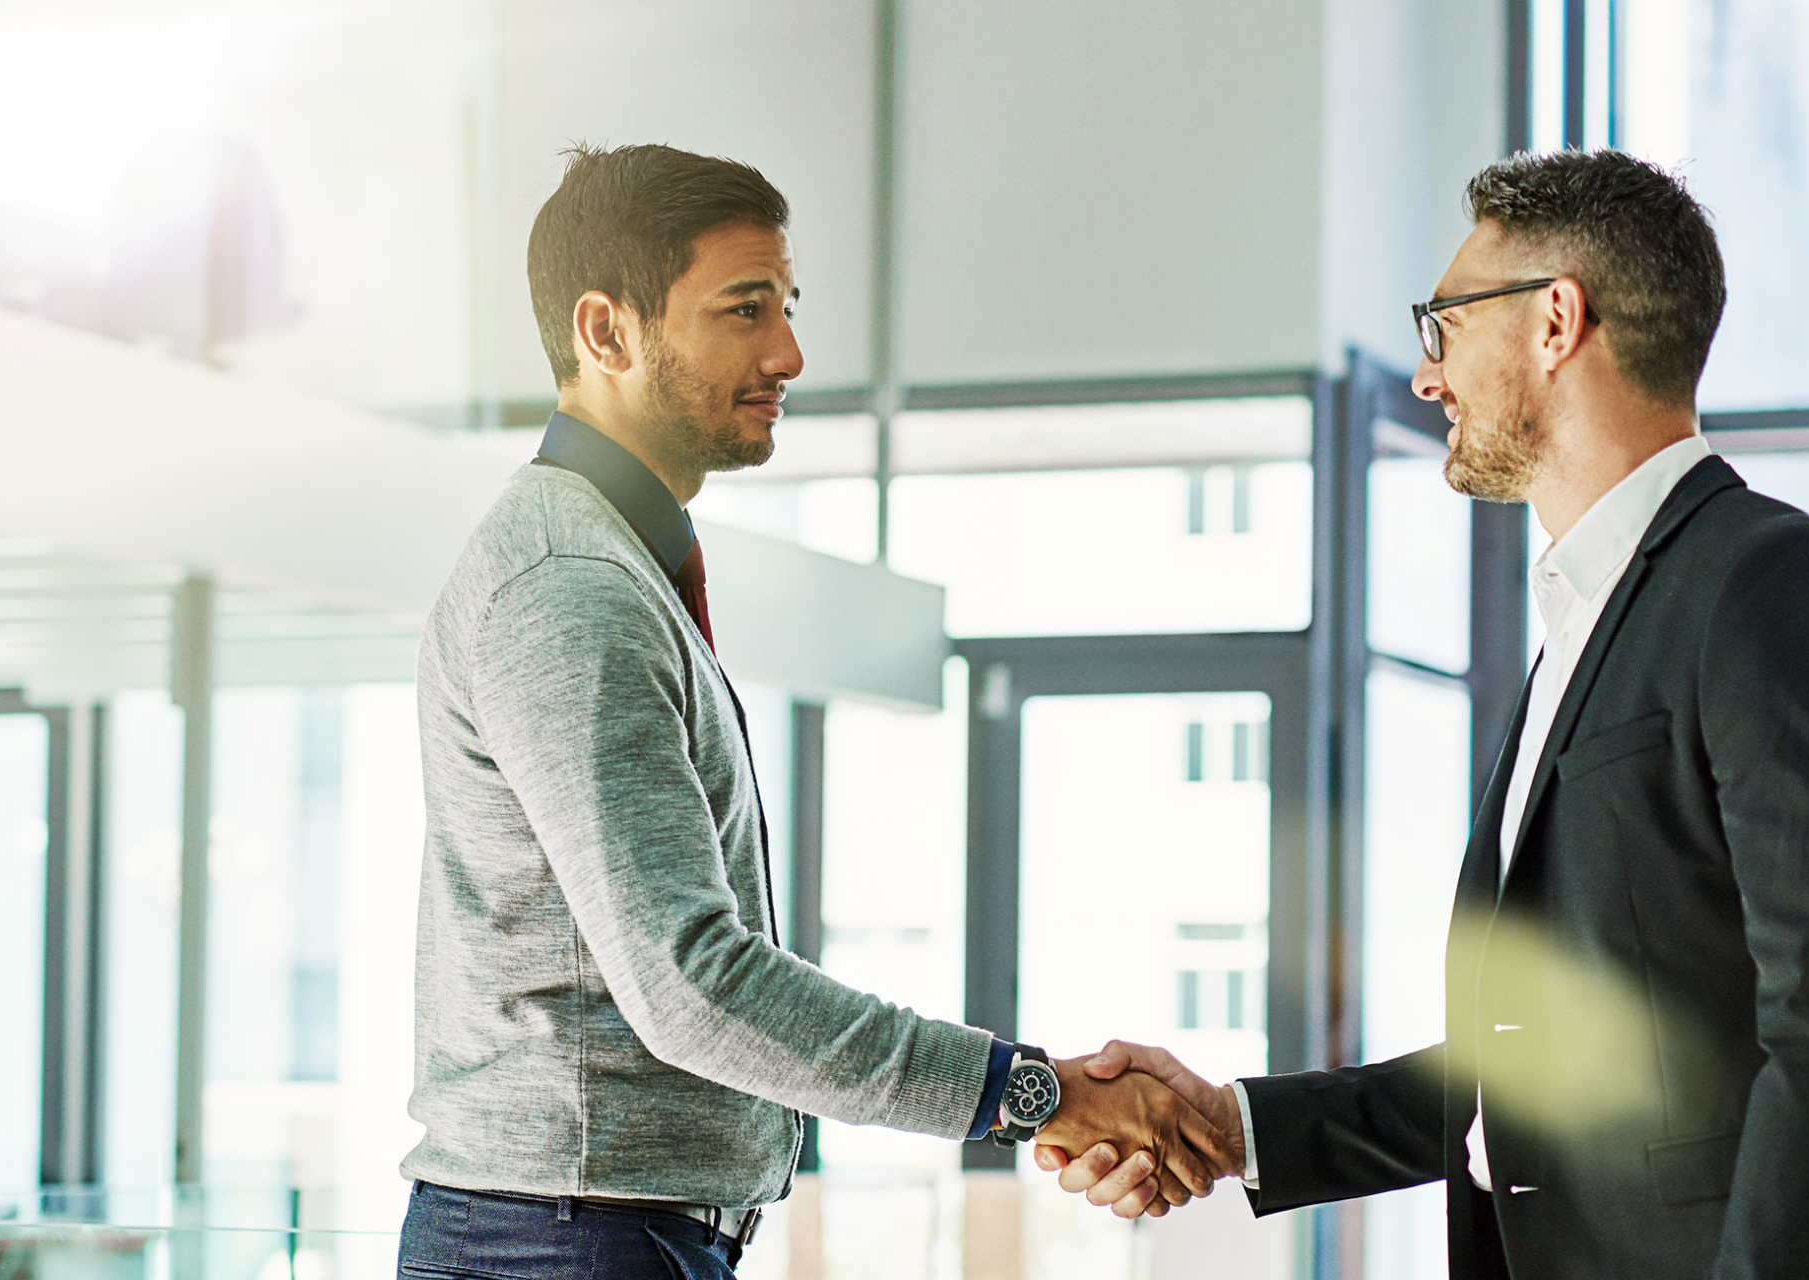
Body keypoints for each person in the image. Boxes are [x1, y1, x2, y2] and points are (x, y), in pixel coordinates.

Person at [1047, 149, 1809, 1279]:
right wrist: (1235, 1125)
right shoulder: (1587, 620)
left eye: (1444, 325)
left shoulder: (1779, 591)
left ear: (1553, 319)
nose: (1427, 376)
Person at [398, 143, 1231, 1280]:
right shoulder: (569, 587)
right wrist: (1022, 1091)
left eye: (784, 308)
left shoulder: (609, 565)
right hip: (568, 1237)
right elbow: (692, 984)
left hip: (592, 1230)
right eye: (744, 311)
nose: (786, 353)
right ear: (607, 332)